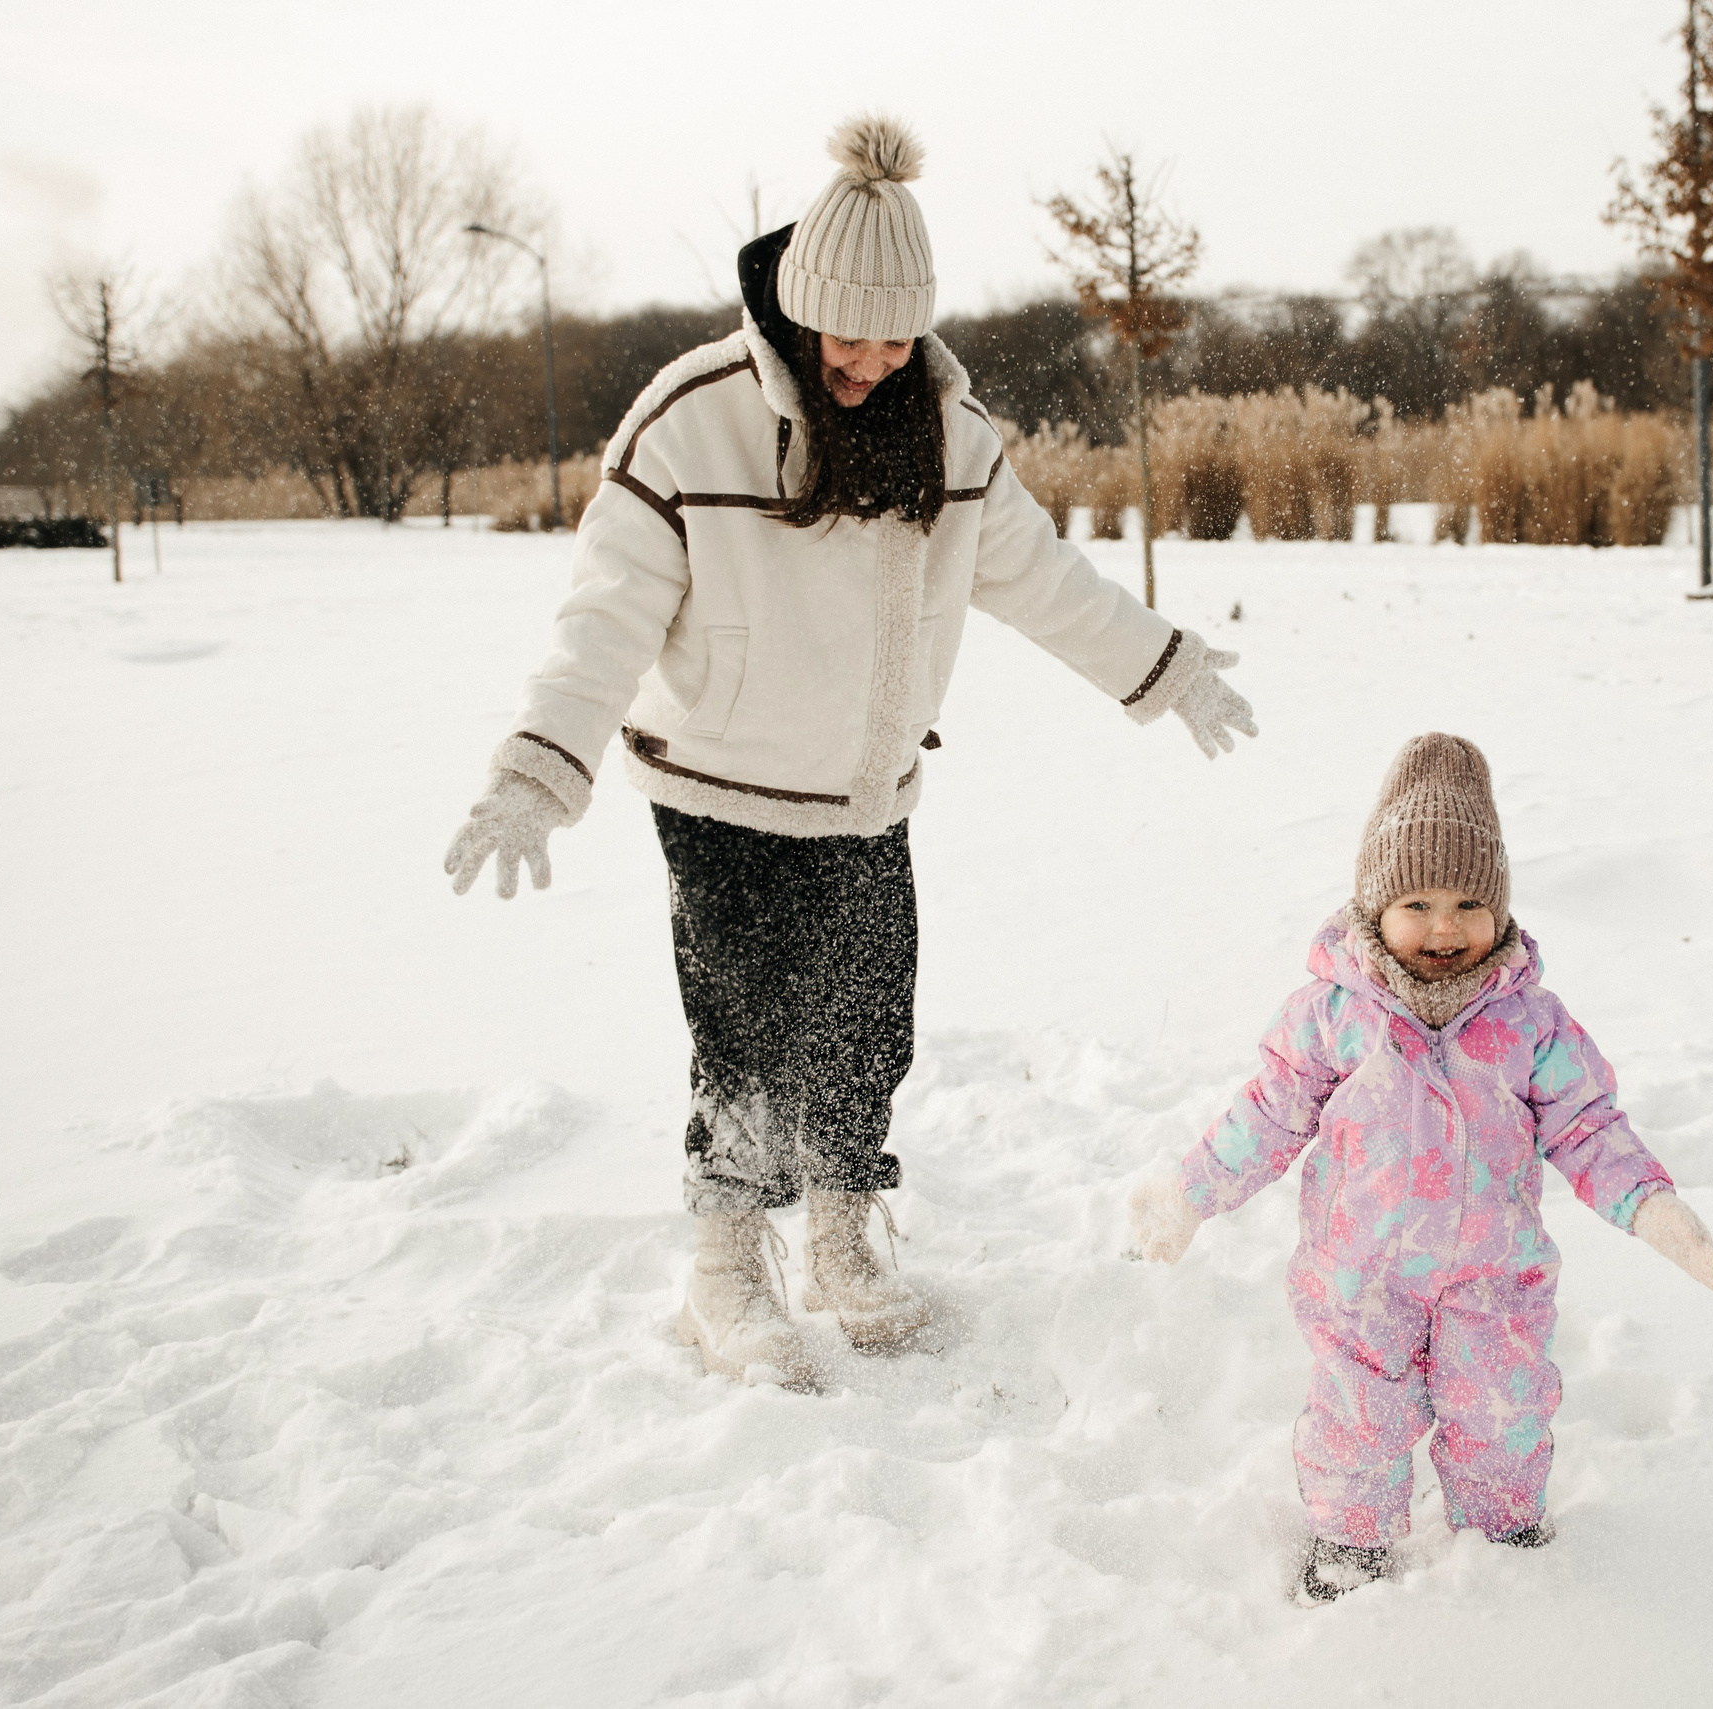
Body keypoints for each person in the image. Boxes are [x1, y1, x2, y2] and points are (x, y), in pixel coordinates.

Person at [445, 114, 1256, 1389]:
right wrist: (540, 767)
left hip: (867, 792)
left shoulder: (944, 426)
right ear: (800, 303)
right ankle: (724, 1268)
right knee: (746, 1036)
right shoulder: (689, 419)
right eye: (851, 334)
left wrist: (1160, 666)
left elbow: (1039, 577)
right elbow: (604, 614)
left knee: (867, 1028)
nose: (872, 361)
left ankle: (838, 1241)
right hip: (718, 784)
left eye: (896, 335)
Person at [1127, 734, 1713, 1604]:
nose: (1444, 925)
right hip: (1359, 1276)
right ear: (1375, 907)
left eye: (1466, 902)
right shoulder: (1332, 1016)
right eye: (1416, 901)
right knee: (1356, 1418)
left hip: (1495, 1275)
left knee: (1503, 1407)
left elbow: (1588, 1125)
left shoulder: (1531, 1023)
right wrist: (1190, 1194)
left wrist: (1650, 1204)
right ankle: (1350, 1541)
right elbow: (1267, 1114)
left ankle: (1505, 1531)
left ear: (1500, 910)